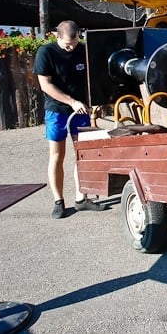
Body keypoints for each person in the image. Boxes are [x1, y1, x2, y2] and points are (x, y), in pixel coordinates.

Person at [34, 20, 106, 218]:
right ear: (57, 37)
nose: (71, 48)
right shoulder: (46, 53)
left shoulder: (83, 50)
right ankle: (58, 201)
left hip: (81, 112)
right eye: (67, 45)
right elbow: (45, 85)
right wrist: (71, 101)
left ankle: (81, 198)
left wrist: (97, 100)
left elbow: (94, 78)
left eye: (74, 44)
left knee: (82, 154)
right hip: (57, 111)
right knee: (57, 155)